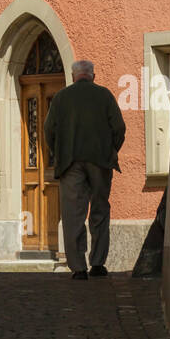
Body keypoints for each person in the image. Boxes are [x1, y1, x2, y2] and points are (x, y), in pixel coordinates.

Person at [44, 59, 126, 280]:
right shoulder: (104, 95)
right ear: (93, 76)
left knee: (73, 215)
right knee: (99, 210)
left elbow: (48, 130)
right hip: (100, 160)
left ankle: (78, 267)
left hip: (70, 161)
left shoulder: (61, 98)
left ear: (73, 76)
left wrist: (59, 151)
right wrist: (110, 150)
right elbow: (119, 127)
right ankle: (98, 263)